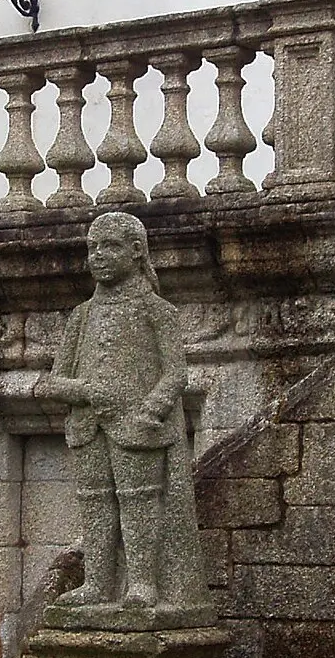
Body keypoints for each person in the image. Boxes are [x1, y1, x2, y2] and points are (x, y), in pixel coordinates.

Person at [38, 212, 208, 620]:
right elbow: (55, 381)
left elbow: (176, 372)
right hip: (87, 424)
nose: (98, 256)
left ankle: (143, 582)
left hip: (138, 427)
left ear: (136, 251)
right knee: (94, 502)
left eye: (109, 246)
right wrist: (88, 392)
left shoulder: (157, 310)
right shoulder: (81, 316)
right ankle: (96, 584)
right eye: (92, 248)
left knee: (140, 503)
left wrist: (151, 409)